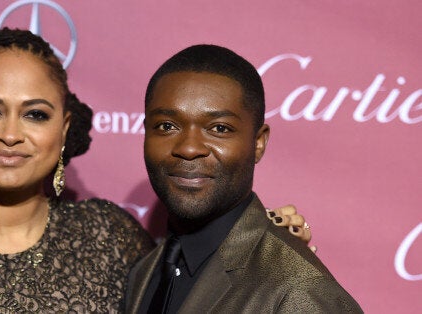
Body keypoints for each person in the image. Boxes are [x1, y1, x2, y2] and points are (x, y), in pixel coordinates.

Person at [0, 29, 313, 313]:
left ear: (63, 127)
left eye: (35, 114)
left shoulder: (109, 234)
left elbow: (203, 284)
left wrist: (262, 237)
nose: (10, 135)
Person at [126, 45, 362, 313]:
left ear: (258, 143)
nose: (189, 148)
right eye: (167, 126)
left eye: (219, 128)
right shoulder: (143, 274)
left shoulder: (299, 291)